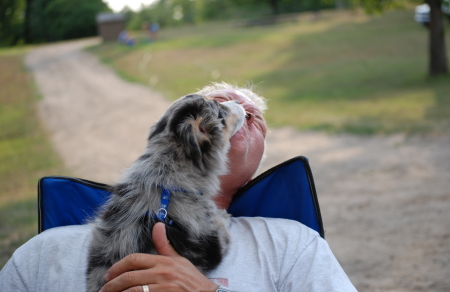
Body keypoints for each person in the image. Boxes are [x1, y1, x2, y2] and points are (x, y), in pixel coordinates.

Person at [0, 83, 357, 292]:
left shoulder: (290, 244)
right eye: (218, 105)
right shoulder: (44, 254)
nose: (241, 114)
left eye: (255, 119)